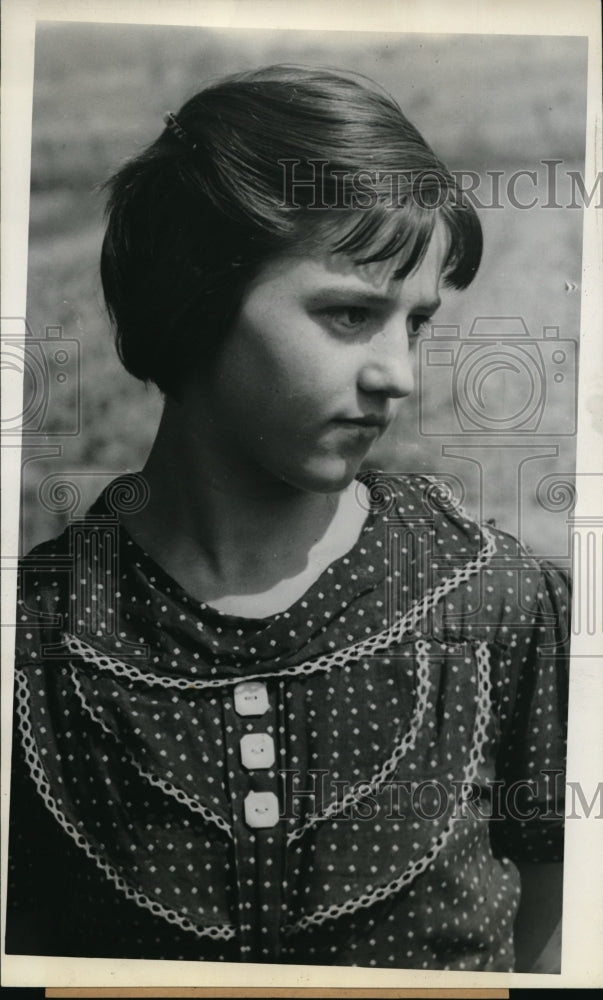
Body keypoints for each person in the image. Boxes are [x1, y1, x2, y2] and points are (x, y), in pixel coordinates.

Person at [6, 64, 569, 972]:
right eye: (348, 314)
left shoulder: (497, 608)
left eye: (413, 323)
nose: (399, 376)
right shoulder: (39, 640)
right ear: (194, 299)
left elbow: (559, 933)